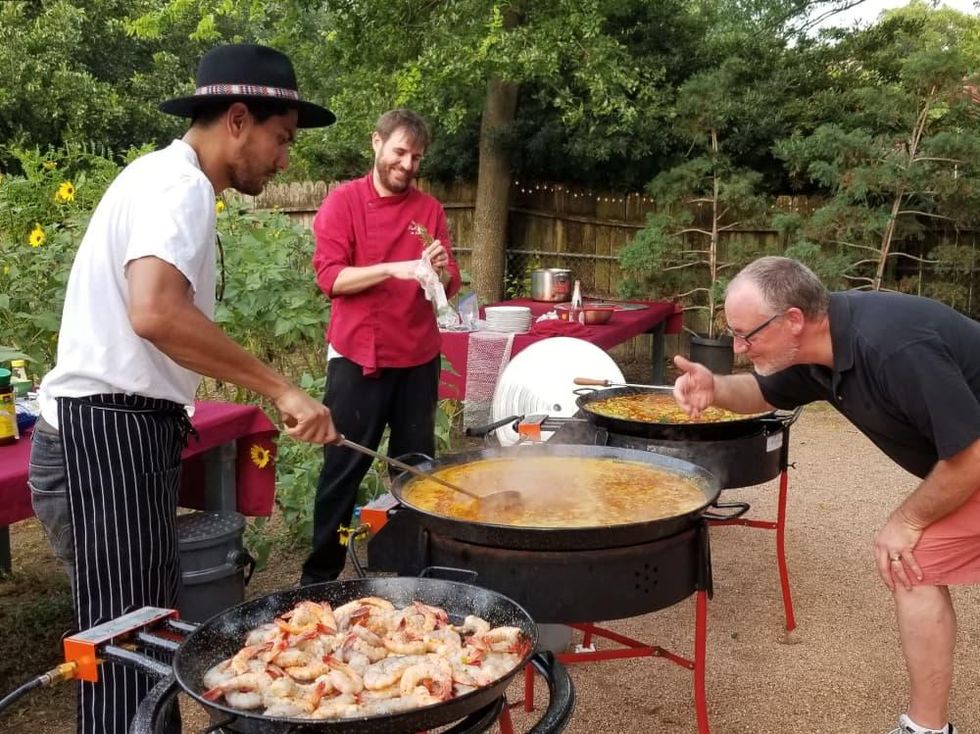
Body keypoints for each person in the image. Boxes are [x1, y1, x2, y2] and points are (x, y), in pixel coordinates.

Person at [29, 44, 340, 733]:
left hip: (119, 433)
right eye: (281, 138)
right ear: (237, 119)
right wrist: (280, 388)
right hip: (102, 436)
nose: (285, 158)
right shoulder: (179, 186)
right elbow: (157, 310)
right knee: (125, 656)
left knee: (143, 643)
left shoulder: (166, 180)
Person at [673, 256, 980, 734]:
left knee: (910, 554)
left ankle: (926, 729)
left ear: (793, 319)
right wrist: (714, 389)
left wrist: (908, 519)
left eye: (746, 334)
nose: (737, 347)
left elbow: (971, 456)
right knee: (915, 562)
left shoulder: (893, 346)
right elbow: (760, 392)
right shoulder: (816, 348)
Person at [301, 108, 462, 585]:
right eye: (399, 151)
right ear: (376, 143)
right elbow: (330, 278)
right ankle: (319, 579)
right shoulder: (342, 203)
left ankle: (414, 576)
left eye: (417, 157)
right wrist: (395, 267)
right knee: (343, 470)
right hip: (359, 360)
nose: (408, 164)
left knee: (416, 472)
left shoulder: (429, 209)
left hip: (417, 358)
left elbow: (449, 282)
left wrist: (438, 269)